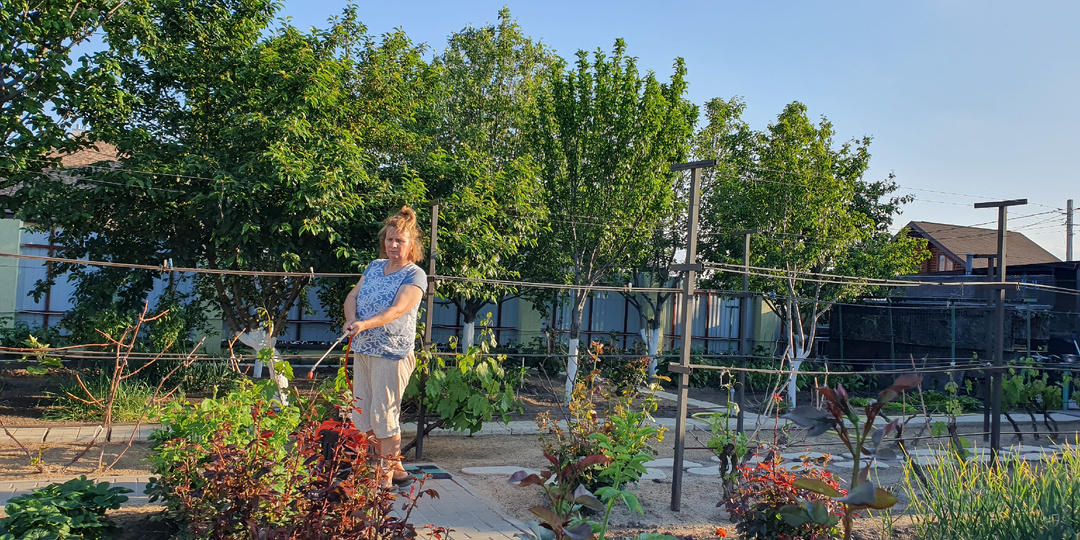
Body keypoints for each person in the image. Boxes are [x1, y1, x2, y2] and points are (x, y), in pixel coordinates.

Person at [343, 206, 427, 489]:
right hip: (364, 350)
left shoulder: (415, 275)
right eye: (389, 240)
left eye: (399, 241)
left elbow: (397, 310)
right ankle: (398, 469)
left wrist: (364, 325)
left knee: (384, 414)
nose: (393, 245)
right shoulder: (374, 266)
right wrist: (351, 320)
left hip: (391, 354)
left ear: (411, 245)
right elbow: (352, 296)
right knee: (363, 412)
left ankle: (384, 481)